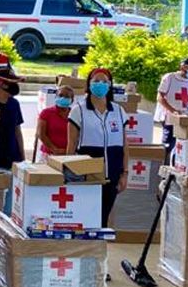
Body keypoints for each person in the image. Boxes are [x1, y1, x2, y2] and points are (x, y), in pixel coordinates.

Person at [67, 68, 127, 226]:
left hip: (111, 175)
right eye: (96, 81)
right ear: (89, 84)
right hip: (87, 175)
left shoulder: (119, 111)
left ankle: (98, 250)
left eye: (105, 81)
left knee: (102, 219)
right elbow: (71, 144)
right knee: (85, 220)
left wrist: (125, 173)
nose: (100, 84)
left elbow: (124, 145)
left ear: (110, 85)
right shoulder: (78, 110)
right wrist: (68, 174)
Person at [0, 66, 25, 212]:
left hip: (12, 157)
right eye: (12, 83)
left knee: (12, 197)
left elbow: (18, 130)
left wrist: (22, 156)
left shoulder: (14, 104)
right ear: (2, 84)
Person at [155, 57, 188, 154]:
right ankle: (164, 164)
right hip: (170, 118)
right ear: (183, 67)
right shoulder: (170, 78)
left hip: (185, 119)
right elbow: (160, 97)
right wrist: (173, 110)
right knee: (168, 145)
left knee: (182, 146)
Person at [36, 84, 74, 162]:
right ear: (55, 97)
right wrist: (54, 149)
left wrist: (68, 150)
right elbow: (41, 134)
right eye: (60, 95)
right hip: (49, 155)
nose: (63, 98)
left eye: (67, 96)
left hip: (69, 155)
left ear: (72, 100)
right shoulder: (46, 113)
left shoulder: (75, 114)